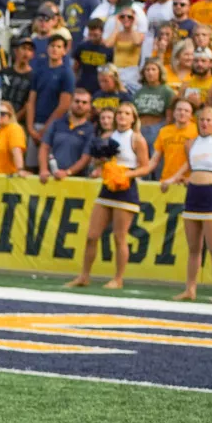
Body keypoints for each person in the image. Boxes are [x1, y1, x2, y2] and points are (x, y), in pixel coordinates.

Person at [161, 105, 212, 304]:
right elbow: (189, 165)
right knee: (194, 248)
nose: (204, 123)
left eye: (208, 120)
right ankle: (190, 289)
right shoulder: (191, 143)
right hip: (193, 195)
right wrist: (173, 179)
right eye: (202, 120)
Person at [68, 103, 151, 290]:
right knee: (92, 235)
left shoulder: (137, 139)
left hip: (126, 189)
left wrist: (126, 174)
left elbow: (145, 166)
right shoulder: (107, 136)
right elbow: (98, 161)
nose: (122, 116)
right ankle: (84, 276)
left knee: (119, 237)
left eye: (127, 113)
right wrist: (101, 162)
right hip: (107, 188)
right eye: (120, 113)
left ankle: (118, 279)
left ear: (133, 118)